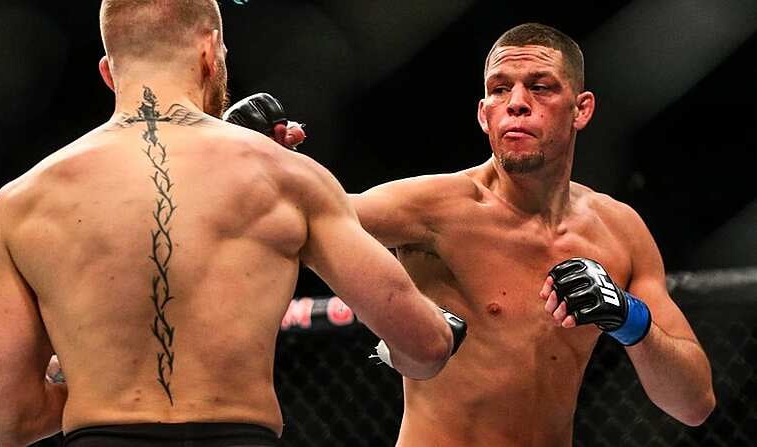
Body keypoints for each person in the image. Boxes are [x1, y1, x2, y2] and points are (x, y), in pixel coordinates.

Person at [0, 2, 466, 446]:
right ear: (211, 53)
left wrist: (94, 381)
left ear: (108, 71)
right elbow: (424, 345)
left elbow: (9, 419)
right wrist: (438, 332)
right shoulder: (287, 178)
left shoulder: (21, 202)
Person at [231, 23, 716, 447]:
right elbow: (299, 220)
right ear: (484, 114)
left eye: (541, 88)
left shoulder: (620, 230)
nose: (518, 105)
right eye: (500, 90)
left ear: (581, 109)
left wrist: (631, 321)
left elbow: (693, 403)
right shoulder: (434, 207)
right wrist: (254, 157)